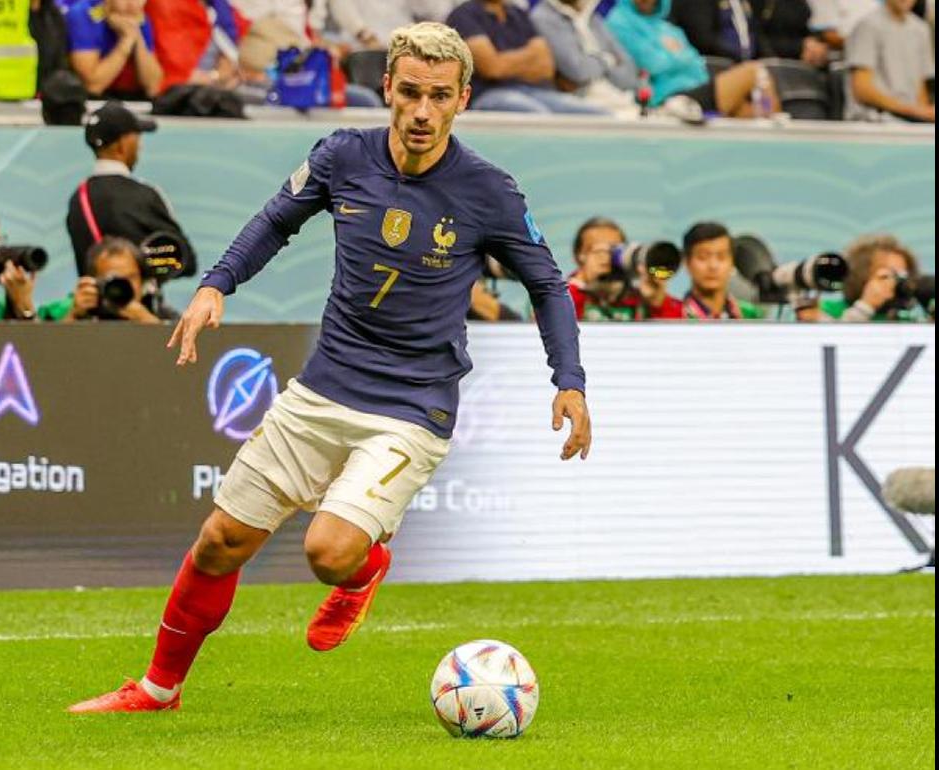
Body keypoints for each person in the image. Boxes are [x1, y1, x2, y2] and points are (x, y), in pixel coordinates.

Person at [66, 21, 590, 714]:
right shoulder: (343, 155)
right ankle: (159, 689)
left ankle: (367, 565)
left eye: (438, 96)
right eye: (409, 93)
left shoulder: (488, 191)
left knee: (328, 552)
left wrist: (570, 382)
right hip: (323, 386)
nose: (422, 111)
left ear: (463, 98)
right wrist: (215, 283)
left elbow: (548, 284)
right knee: (221, 541)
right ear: (388, 90)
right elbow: (275, 221)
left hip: (412, 408)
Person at [66, 101, 197, 279]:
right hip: (139, 305)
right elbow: (185, 260)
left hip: (91, 304)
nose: (140, 146)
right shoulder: (146, 195)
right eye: (137, 137)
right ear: (122, 145)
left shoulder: (78, 199)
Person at [607, 0, 781, 118]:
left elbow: (696, 63)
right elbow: (653, 63)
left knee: (748, 113)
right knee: (754, 72)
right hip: (665, 98)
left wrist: (675, 57)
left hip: (696, 89)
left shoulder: (667, 27)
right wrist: (678, 56)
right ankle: (769, 119)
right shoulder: (619, 22)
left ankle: (769, 130)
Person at [446, 0, 610, 113]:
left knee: (597, 114)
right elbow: (493, 69)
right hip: (489, 94)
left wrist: (504, 61)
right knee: (538, 116)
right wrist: (529, 56)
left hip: (535, 91)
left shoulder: (518, 14)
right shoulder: (464, 15)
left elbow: (546, 68)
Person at [530, 0, 640, 115]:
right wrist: (607, 60)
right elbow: (579, 71)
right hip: (582, 100)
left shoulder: (593, 16)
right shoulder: (544, 17)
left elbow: (630, 72)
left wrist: (597, 65)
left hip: (619, 97)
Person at [566, 217, 682, 320]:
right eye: (596, 250)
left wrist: (658, 303)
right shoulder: (565, 294)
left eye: (614, 248)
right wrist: (583, 284)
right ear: (578, 257)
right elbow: (558, 328)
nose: (606, 256)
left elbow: (679, 336)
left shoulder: (637, 295)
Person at [39, 237, 175, 322]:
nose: (123, 285)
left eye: (130, 277)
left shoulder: (160, 313)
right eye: (113, 278)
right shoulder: (79, 312)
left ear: (142, 281)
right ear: (94, 281)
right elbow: (50, 353)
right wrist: (73, 316)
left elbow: (180, 359)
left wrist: (146, 321)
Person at [844, 0, 934, 123]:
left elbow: (920, 88)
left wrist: (923, 115)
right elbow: (861, 89)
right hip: (872, 121)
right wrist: (910, 111)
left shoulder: (921, 29)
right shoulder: (868, 25)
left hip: (910, 123)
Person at [66, 0, 164, 99]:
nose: (133, 4)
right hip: (89, 101)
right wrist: (126, 41)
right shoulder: (84, 15)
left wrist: (137, 37)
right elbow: (92, 87)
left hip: (129, 99)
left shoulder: (139, 18)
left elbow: (153, 87)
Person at [821, 234, 926, 321]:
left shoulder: (911, 317)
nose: (896, 282)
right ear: (861, 276)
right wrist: (866, 306)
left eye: (902, 275)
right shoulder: (827, 310)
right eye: (887, 275)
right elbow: (836, 341)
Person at [680, 221, 762, 319]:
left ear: (732, 263)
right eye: (703, 257)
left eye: (721, 257)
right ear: (686, 263)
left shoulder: (750, 315)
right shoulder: (676, 317)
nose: (713, 266)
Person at [668, 0, 763, 62]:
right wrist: (741, 57)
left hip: (749, 61)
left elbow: (755, 33)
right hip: (716, 62)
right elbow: (703, 38)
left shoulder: (742, 2)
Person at [749, 0, 830, 66]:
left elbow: (802, 28)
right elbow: (757, 42)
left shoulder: (797, 4)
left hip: (800, 64)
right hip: (768, 65)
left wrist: (814, 44)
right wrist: (800, 47)